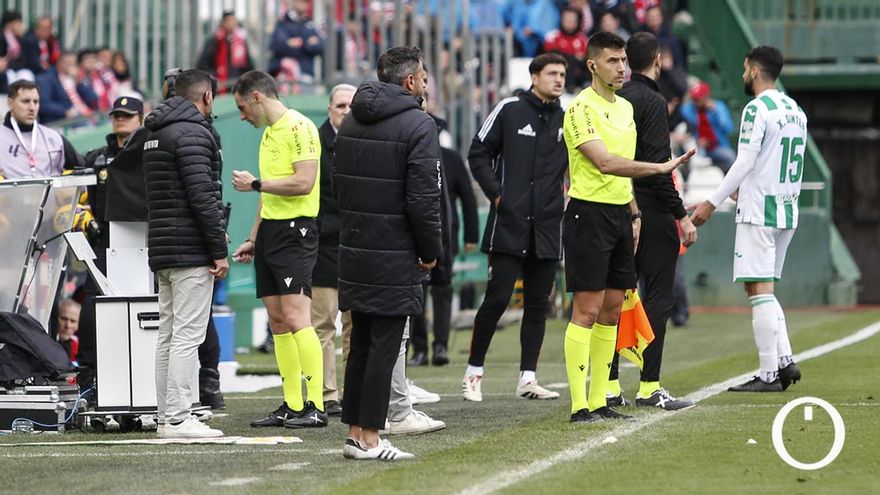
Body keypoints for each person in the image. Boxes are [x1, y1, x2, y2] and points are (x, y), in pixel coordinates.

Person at [561, 31, 694, 424]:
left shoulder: (624, 109)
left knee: (612, 310)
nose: (621, 68)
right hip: (588, 214)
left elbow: (624, 175)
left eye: (623, 60)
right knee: (586, 310)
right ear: (592, 66)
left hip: (621, 214)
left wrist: (634, 214)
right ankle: (579, 406)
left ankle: (601, 399)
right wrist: (660, 168)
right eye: (612, 61)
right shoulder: (580, 108)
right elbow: (605, 162)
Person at [334, 46, 441, 461]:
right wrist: (429, 251)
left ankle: (355, 434)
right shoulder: (419, 124)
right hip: (395, 251)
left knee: (361, 343)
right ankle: (371, 439)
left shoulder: (351, 120)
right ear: (410, 81)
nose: (426, 84)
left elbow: (338, 186)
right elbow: (423, 199)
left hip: (355, 246)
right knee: (383, 346)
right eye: (424, 78)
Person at [691, 45, 805, 393]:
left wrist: (712, 201)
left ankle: (769, 374)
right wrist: (746, 187)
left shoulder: (757, 109)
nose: (743, 75)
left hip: (760, 211)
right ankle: (785, 361)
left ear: (755, 71)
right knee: (761, 287)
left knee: (759, 289)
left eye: (745, 69)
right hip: (786, 208)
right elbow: (773, 161)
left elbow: (744, 160)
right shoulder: (795, 110)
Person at [462, 53, 569, 403]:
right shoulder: (509, 109)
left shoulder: (567, 118)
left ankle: (528, 378)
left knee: (538, 304)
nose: (559, 79)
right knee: (497, 299)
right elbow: (477, 152)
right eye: (552, 73)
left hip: (548, 228)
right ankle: (473, 373)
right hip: (509, 224)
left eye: (563, 74)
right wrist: (497, 195)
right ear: (534, 77)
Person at [230, 70, 327, 429]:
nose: (242, 116)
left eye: (242, 107)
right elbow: (267, 196)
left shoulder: (300, 127)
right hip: (271, 232)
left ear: (257, 97)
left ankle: (316, 405)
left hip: (296, 231)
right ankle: (292, 403)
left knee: (298, 316)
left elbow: (304, 182)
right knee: (277, 321)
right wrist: (254, 238)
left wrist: (257, 183)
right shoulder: (269, 133)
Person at [605, 32, 697, 411]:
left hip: (615, 206)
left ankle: (609, 387)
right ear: (657, 59)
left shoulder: (613, 98)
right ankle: (649, 386)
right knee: (658, 296)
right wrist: (681, 216)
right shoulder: (653, 101)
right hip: (652, 209)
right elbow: (659, 168)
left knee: (615, 298)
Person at [143, 69, 228, 438]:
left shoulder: (155, 132)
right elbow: (202, 196)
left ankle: (167, 416)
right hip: (190, 249)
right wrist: (218, 248)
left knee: (168, 334)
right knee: (187, 335)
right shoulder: (193, 133)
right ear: (207, 96)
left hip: (163, 248)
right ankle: (178, 417)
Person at [409, 110, 479, 368]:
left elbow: (468, 198)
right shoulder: (411, 156)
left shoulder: (451, 158)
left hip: (446, 236)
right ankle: (419, 349)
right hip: (417, 236)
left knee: (443, 290)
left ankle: (440, 346)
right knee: (418, 293)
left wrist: (471, 235)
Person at [311, 83, 357, 417]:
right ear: (329, 109)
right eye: (341, 105)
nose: (346, 111)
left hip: (357, 243)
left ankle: (354, 391)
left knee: (356, 326)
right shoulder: (314, 142)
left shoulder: (365, 140)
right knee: (323, 325)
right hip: (325, 244)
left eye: (352, 105)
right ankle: (327, 394)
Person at [0, 80, 80, 179]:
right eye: (26, 101)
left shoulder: (53, 138)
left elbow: (82, 169)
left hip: (50, 189)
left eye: (36, 102)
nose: (32, 107)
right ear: (10, 103)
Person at [197, 11, 254, 94]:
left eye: (233, 20)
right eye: (229, 21)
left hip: (237, 85)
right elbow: (203, 64)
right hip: (219, 86)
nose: (232, 23)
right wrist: (213, 79)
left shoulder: (241, 42)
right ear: (223, 22)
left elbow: (248, 65)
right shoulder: (214, 41)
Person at [268, 0, 324, 84]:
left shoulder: (310, 25)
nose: (303, 4)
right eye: (300, 1)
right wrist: (307, 44)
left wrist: (297, 43)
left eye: (305, 2)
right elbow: (278, 45)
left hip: (306, 74)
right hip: (284, 75)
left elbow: (320, 47)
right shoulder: (283, 22)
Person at [36, 51, 97, 123]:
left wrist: (79, 82)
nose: (72, 67)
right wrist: (65, 111)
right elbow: (44, 105)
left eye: (74, 64)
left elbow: (92, 99)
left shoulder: (75, 78)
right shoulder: (46, 79)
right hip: (59, 120)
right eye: (69, 64)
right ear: (60, 64)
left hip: (81, 115)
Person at [56, 298, 80, 365]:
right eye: (63, 319)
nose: (67, 325)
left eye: (73, 321)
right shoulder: (44, 341)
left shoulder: (80, 349)